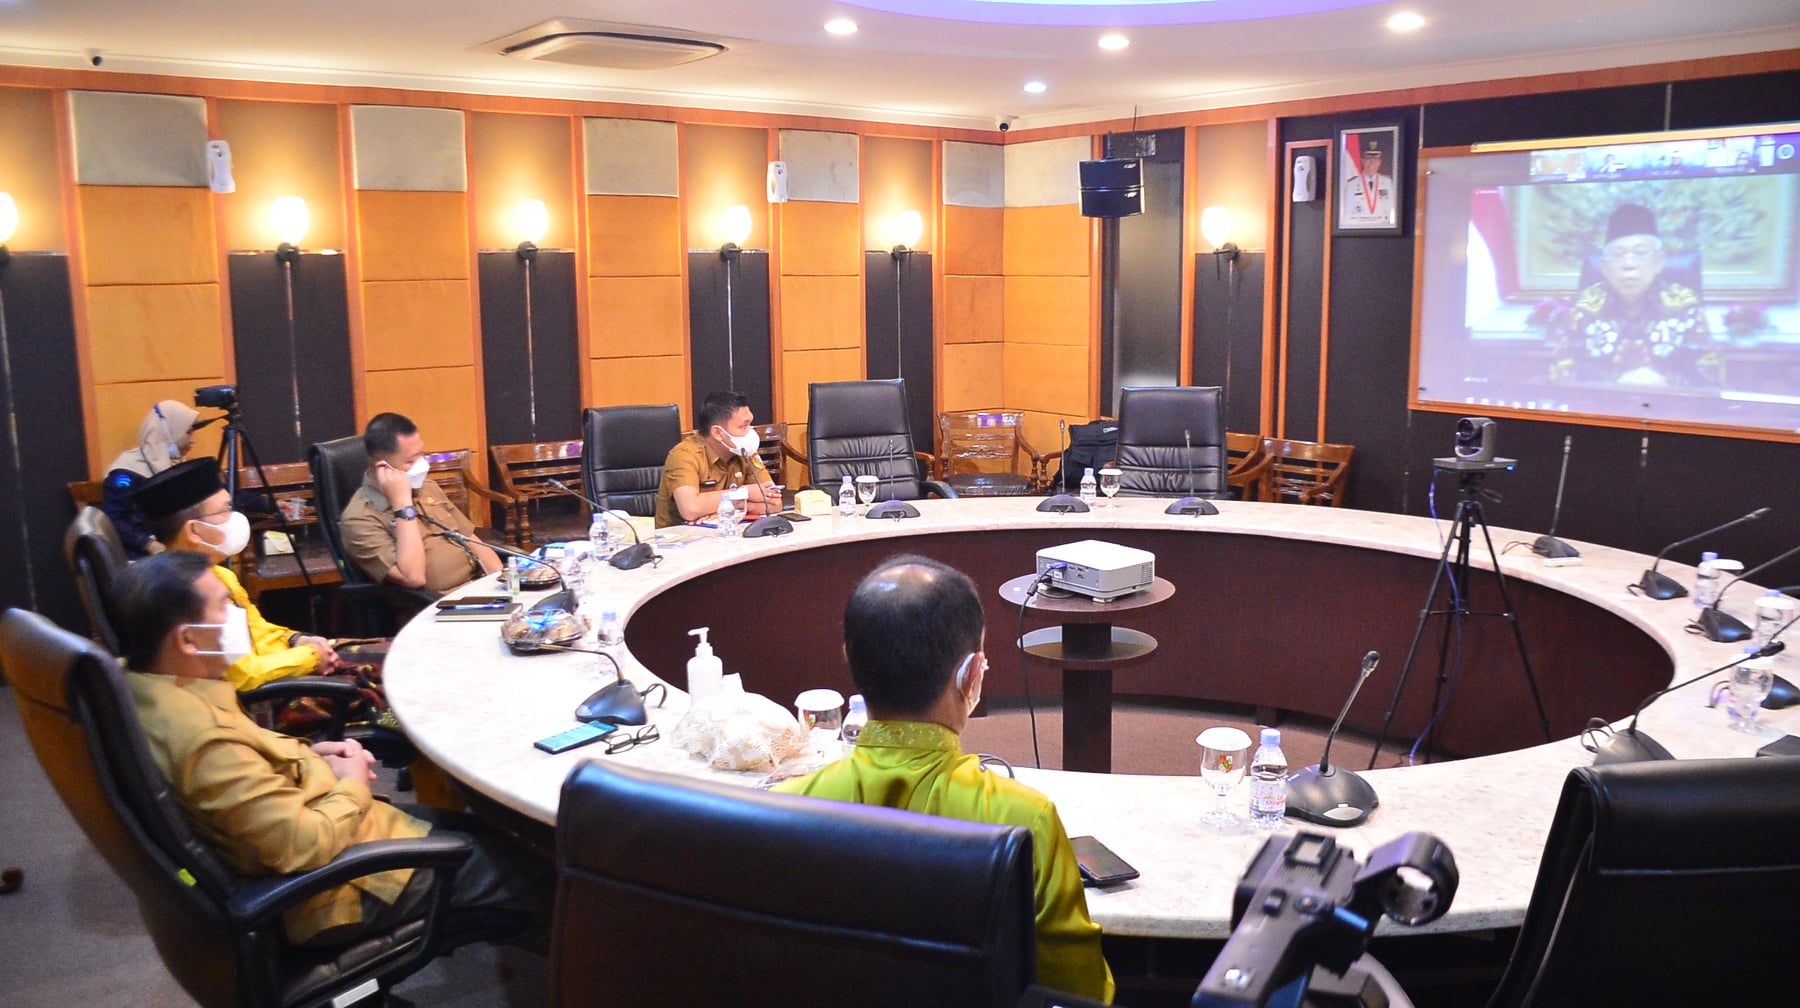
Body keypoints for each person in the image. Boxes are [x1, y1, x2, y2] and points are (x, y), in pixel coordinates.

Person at [109, 550, 546, 948]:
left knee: (504, 833)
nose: (239, 616)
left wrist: (315, 758)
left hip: (337, 825)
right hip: (340, 888)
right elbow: (303, 845)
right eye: (225, 607)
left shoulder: (147, 684)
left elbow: (253, 779)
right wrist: (352, 783)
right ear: (187, 640)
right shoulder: (205, 740)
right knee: (541, 871)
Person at [774, 555, 1115, 1003]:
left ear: (850, 660)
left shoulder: (783, 808)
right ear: (971, 675)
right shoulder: (1023, 819)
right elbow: (1078, 991)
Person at [132, 458, 340, 692]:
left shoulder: (218, 574)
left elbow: (257, 632)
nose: (235, 518)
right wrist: (311, 657)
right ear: (194, 531)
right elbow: (243, 675)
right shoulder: (188, 593)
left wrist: (296, 640)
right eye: (225, 511)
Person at [1550, 202, 1723, 388]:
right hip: (1602, 404)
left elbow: (1709, 373)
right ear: (1605, 267)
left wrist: (1664, 384)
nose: (1629, 264)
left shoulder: (1684, 306)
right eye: (1619, 254)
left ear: (1659, 262)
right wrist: (1616, 384)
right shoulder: (1585, 307)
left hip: (1666, 403)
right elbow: (1562, 369)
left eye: (1640, 253)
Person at [339, 412, 499, 596]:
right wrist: (402, 505)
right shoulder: (359, 519)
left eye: (421, 455)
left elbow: (471, 539)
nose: (422, 465)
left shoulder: (427, 488)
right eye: (411, 461)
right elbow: (413, 578)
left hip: (480, 591)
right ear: (383, 468)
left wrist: (502, 583)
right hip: (439, 604)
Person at [654, 391, 778, 528]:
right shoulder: (684, 455)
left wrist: (736, 507)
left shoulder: (745, 451)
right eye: (743, 426)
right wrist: (745, 493)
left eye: (750, 424)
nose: (750, 432)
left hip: (727, 531)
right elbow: (690, 509)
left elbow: (775, 504)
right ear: (718, 433)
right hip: (681, 536)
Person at [100, 399, 202, 558]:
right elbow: (112, 519)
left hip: (174, 549)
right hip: (140, 556)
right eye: (188, 433)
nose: (192, 440)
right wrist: (147, 543)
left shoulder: (176, 465)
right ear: (169, 433)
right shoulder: (126, 472)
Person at [1341, 134, 1395, 226]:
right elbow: (1347, 213)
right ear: (1362, 161)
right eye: (1368, 159)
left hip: (1383, 226)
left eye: (1375, 159)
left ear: (1380, 162)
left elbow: (1391, 208)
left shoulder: (1387, 182)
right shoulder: (1351, 184)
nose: (1372, 163)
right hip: (1359, 227)